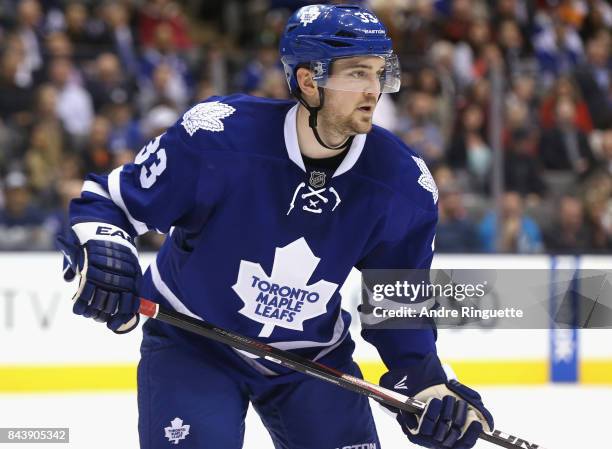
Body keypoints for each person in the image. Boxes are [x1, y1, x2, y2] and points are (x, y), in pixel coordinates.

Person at [58, 5, 493, 449]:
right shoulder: (218, 138)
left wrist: (427, 384)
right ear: (309, 81)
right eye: (357, 74)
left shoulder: (404, 185)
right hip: (193, 342)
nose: (374, 90)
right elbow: (110, 201)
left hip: (314, 360)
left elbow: (398, 301)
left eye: (380, 73)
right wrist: (104, 247)